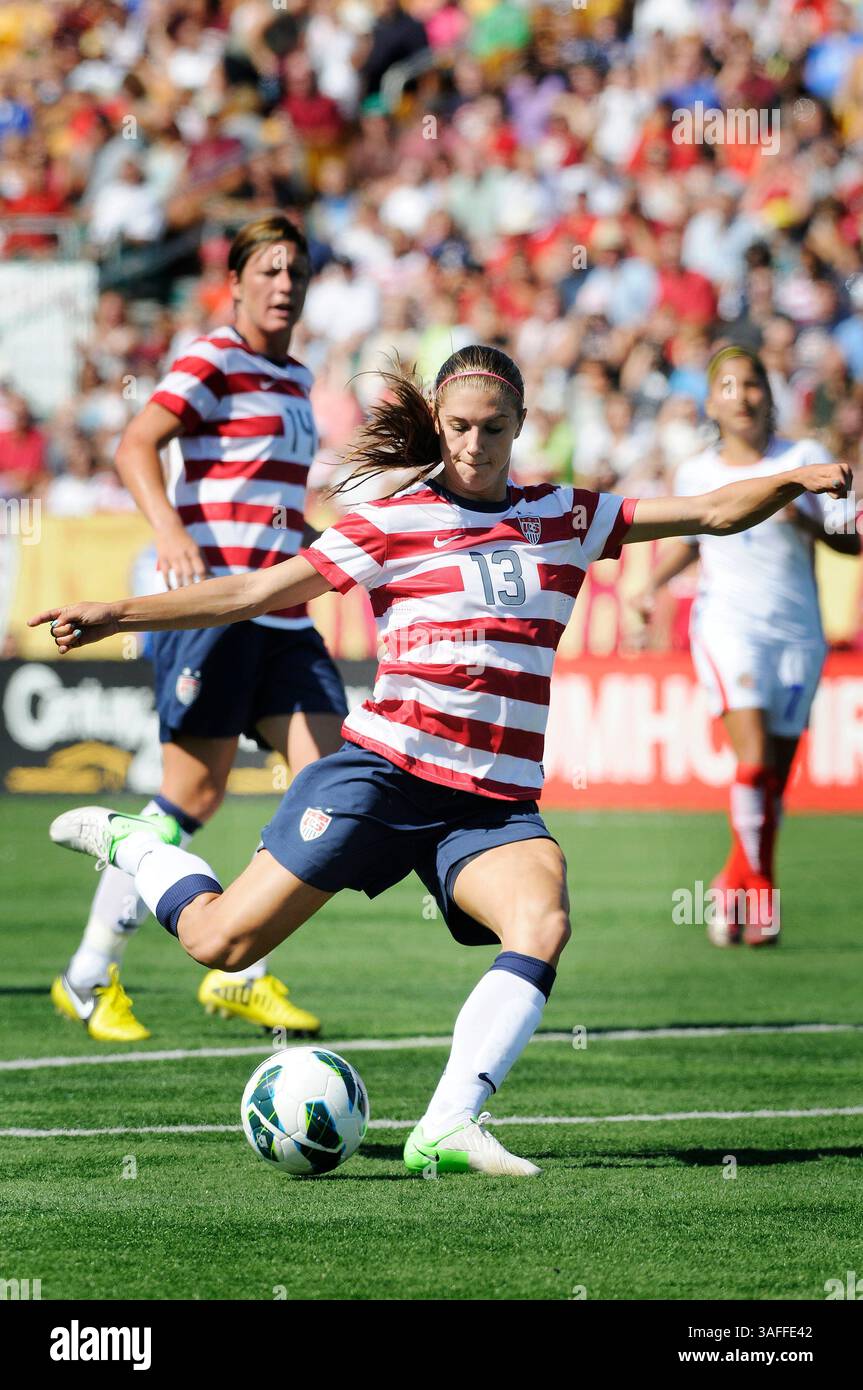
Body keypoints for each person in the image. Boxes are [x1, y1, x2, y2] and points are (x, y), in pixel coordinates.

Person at [33, 344, 851, 1175]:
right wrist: (121, 613)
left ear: (521, 425)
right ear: (436, 424)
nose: (472, 443)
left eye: (492, 428)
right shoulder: (392, 521)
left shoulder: (566, 516)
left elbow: (711, 511)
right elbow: (252, 591)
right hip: (381, 777)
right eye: (456, 426)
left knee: (543, 920)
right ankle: (137, 844)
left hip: (490, 804)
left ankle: (449, 1123)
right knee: (221, 945)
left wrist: (796, 478)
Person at [50, 213, 347, 1043]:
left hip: (281, 612)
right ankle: (88, 975)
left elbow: (280, 509)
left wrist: (342, 556)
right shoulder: (214, 356)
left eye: (297, 272)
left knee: (326, 787)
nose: (285, 285)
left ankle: (239, 969)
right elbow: (138, 443)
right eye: (271, 271)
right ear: (238, 282)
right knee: (189, 797)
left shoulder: (294, 379)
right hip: (214, 608)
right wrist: (171, 532)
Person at [635, 346, 860, 947]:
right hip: (729, 627)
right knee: (754, 758)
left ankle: (731, 885)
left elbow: (853, 538)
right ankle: (762, 894)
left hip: (798, 632)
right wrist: (650, 584)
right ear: (711, 402)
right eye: (727, 386)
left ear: (770, 392)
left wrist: (806, 521)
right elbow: (692, 537)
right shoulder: (696, 473)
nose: (742, 396)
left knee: (774, 783)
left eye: (752, 384)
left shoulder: (806, 459)